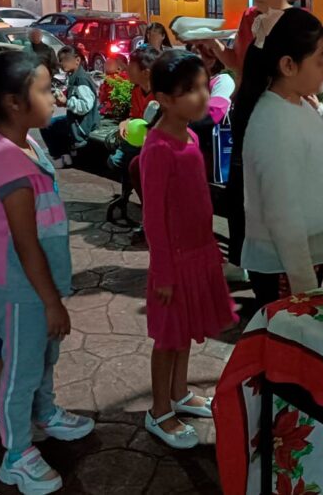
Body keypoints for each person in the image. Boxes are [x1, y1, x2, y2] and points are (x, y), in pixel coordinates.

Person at [0, 50, 93, 493]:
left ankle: (45, 412)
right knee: (20, 370)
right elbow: (25, 243)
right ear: (14, 102)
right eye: (44, 90)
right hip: (22, 288)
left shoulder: (22, 141)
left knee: (42, 355)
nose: (55, 96)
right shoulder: (9, 160)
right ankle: (16, 452)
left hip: (33, 285)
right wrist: (52, 301)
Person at [139, 50, 238, 448]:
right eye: (190, 90)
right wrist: (163, 272)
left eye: (203, 86)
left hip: (198, 252)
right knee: (169, 338)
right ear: (164, 98)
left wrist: (210, 247)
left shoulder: (192, 137)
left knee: (183, 332)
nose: (202, 96)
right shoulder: (158, 149)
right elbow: (153, 219)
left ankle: (179, 392)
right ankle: (159, 410)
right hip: (174, 262)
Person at [234, 8, 323, 307]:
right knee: (289, 332)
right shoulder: (274, 121)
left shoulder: (297, 106)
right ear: (288, 65)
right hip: (287, 265)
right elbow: (282, 213)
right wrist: (305, 288)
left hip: (303, 257)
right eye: (320, 60)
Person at [206, 0, 300, 280]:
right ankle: (240, 261)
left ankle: (276, 270)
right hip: (246, 110)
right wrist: (212, 44)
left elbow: (320, 71)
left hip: (277, 118)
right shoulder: (250, 18)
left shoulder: (297, 24)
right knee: (238, 189)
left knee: (270, 194)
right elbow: (238, 64)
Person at [41, 46, 99, 167]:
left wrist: (67, 102)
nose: (62, 63)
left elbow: (85, 106)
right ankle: (64, 155)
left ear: (77, 60)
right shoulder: (73, 75)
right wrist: (61, 99)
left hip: (83, 125)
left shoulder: (81, 79)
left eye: (65, 60)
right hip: (75, 120)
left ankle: (61, 156)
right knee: (48, 124)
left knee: (48, 125)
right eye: (60, 60)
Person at [108, 45, 160, 173]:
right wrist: (125, 123)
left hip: (154, 143)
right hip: (137, 140)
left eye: (131, 67)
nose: (127, 70)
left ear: (146, 73)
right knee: (114, 160)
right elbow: (135, 117)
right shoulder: (136, 90)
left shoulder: (162, 95)